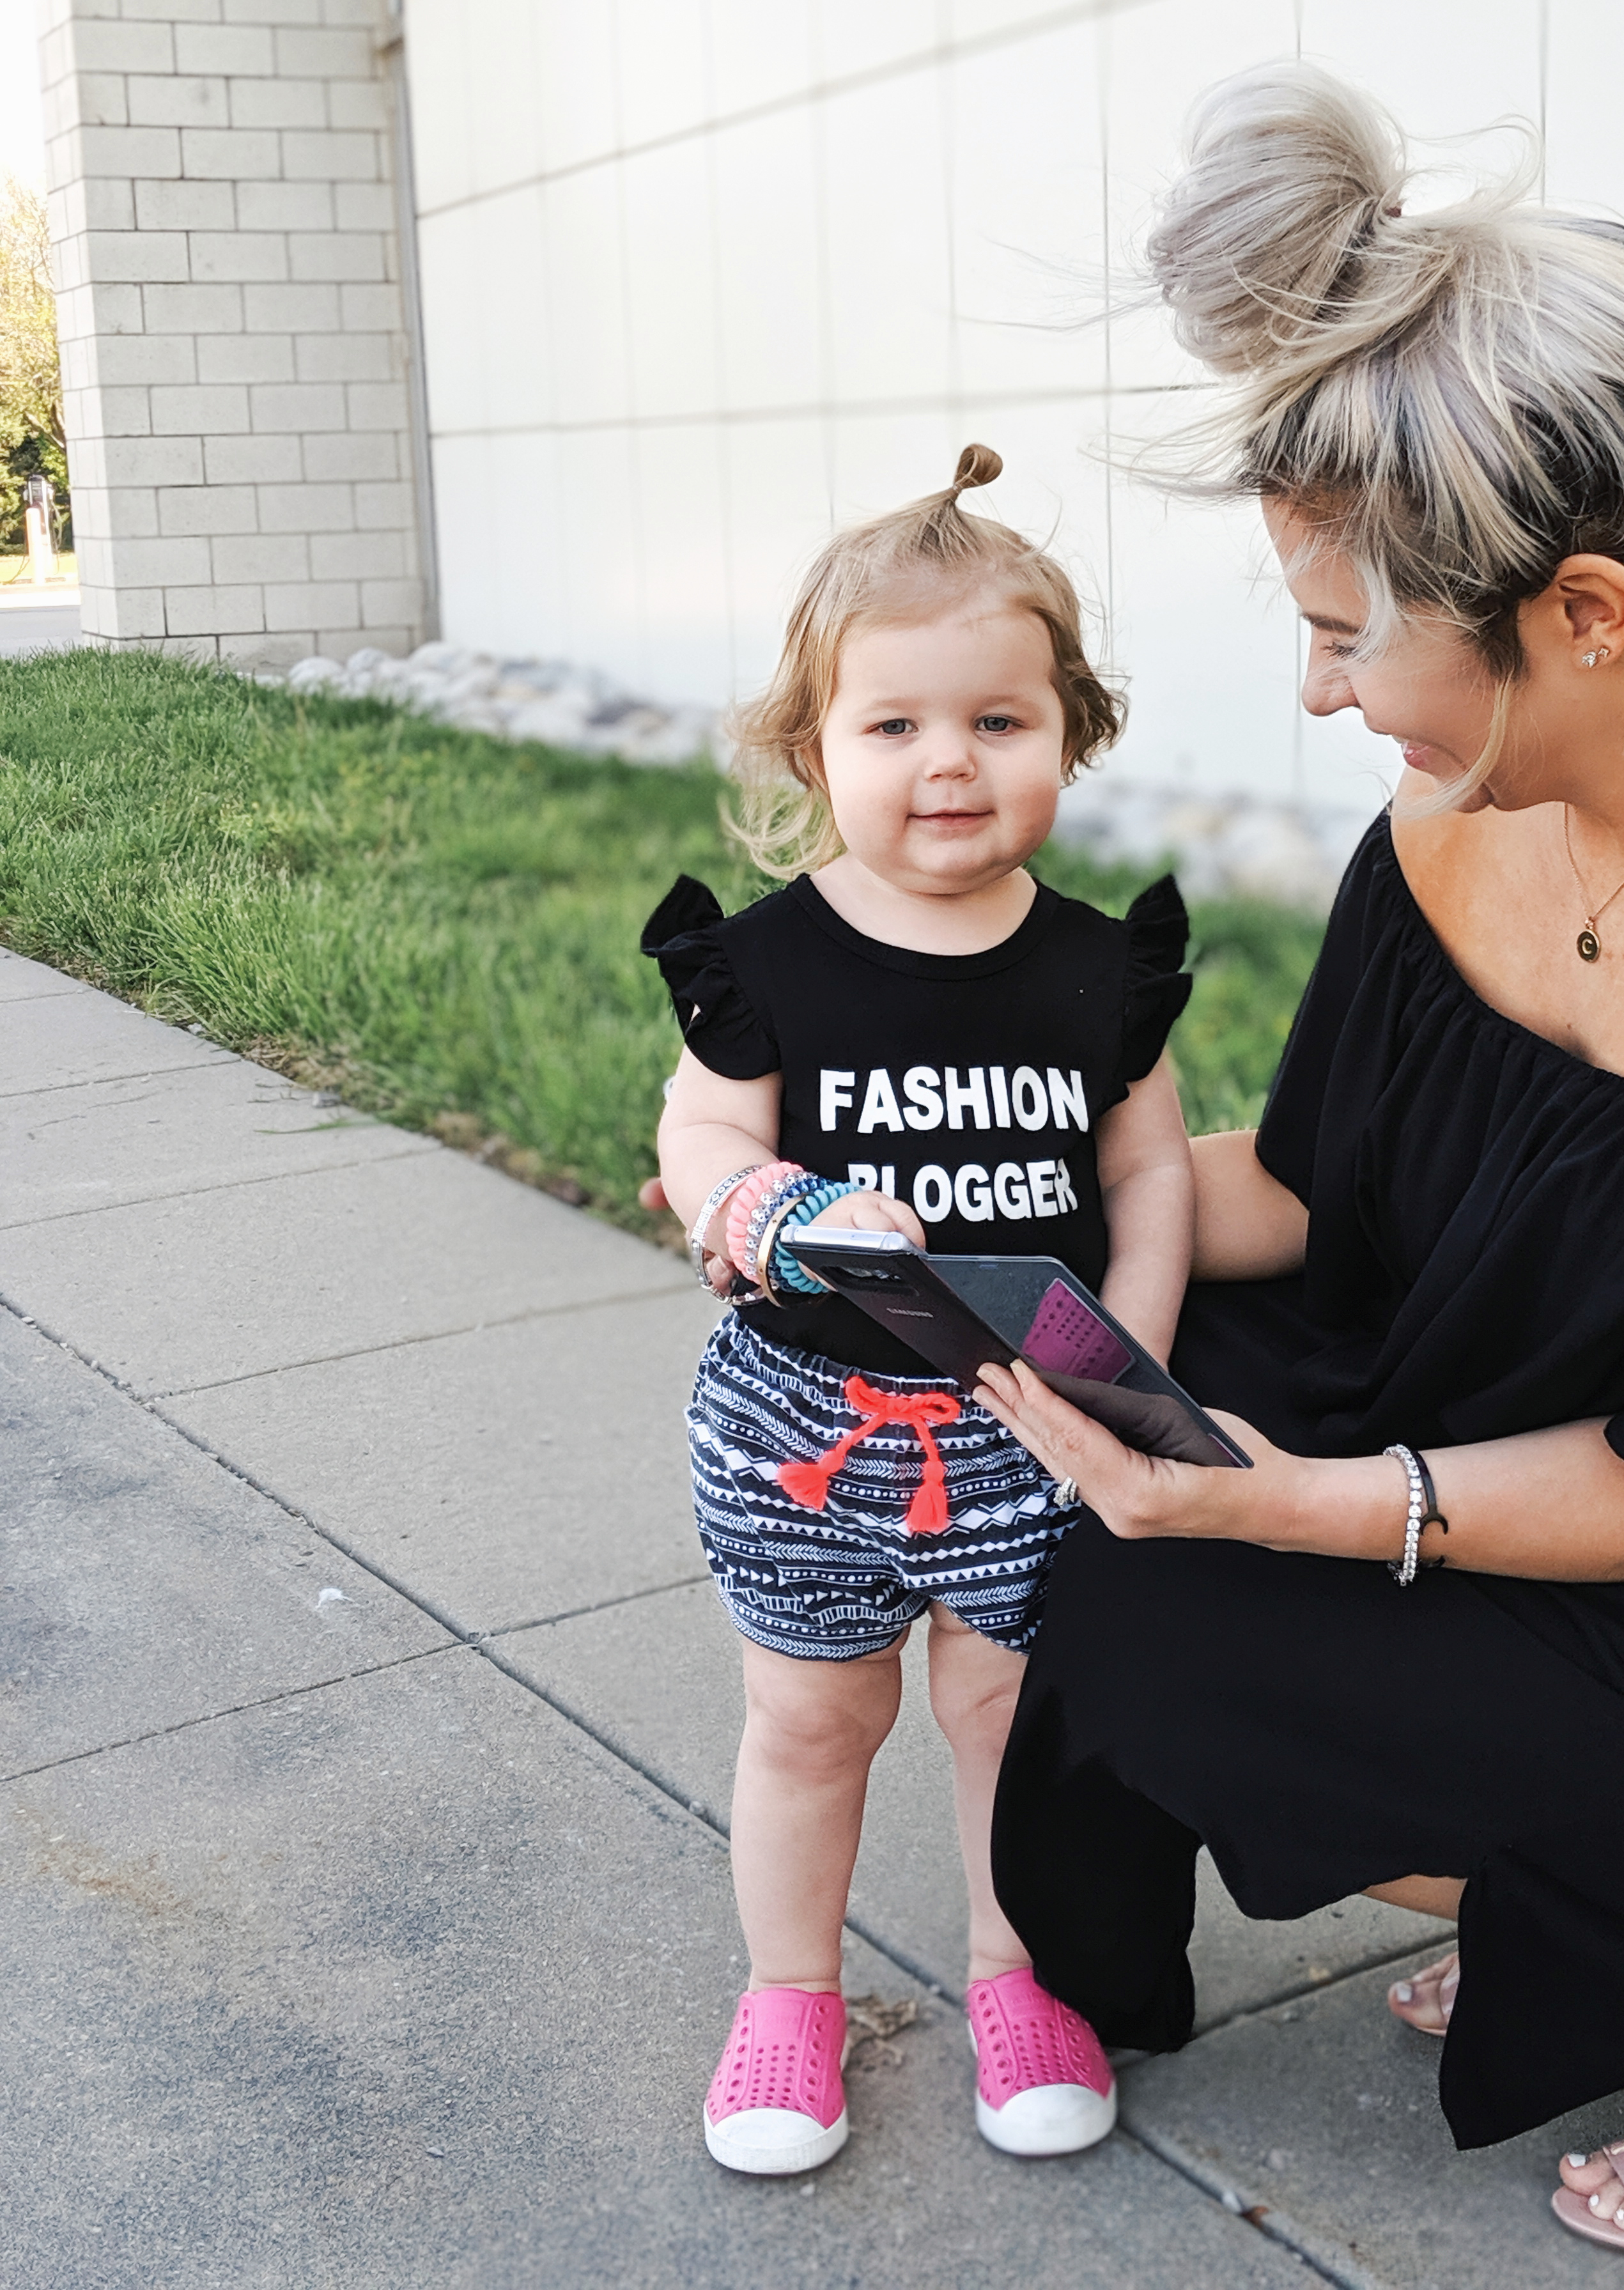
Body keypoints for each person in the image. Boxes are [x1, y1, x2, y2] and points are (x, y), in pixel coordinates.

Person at [975, 65, 1624, 2264]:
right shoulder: (1460, 804)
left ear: (1583, 612)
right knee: (1123, 1420)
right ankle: (1600, 1884)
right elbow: (1322, 1198)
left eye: (1348, 636)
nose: (1320, 694)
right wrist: (966, 1208)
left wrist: (1288, 1504)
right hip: (1523, 1433)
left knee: (1176, 1616)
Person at [641, 447, 1196, 2176]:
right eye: (891, 727)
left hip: (1029, 1422)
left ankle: (1012, 1972)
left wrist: (1135, 1357)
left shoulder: (1103, 970)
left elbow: (1151, 1176)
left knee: (1006, 1719)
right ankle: (790, 1996)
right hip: (802, 1431)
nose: (946, 761)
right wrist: (772, 1206)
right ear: (815, 749)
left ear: (1069, 732)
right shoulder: (772, 962)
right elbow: (699, 1131)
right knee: (812, 1716)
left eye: (997, 722)